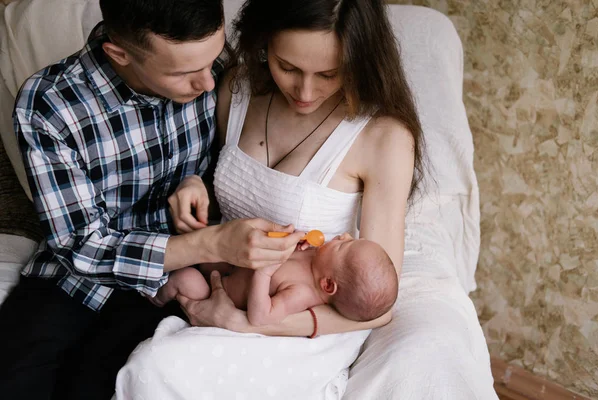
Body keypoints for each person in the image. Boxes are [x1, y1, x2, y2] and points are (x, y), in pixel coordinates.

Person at [127, 0, 496, 398]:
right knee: (146, 363)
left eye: (328, 74)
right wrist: (193, 187)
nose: (304, 92)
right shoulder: (236, 89)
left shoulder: (383, 137)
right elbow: (227, 199)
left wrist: (247, 324)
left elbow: (380, 307)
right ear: (265, 44)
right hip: (227, 279)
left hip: (306, 319)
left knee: (156, 367)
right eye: (287, 67)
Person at [0, 1, 307, 399]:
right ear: (119, 54)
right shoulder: (50, 103)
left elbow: (236, 166)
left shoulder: (213, 66)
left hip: (175, 286)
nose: (209, 84)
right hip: (71, 278)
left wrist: (198, 181)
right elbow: (79, 244)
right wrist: (210, 242)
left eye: (212, 59)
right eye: (183, 73)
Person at [156, 232, 398, 324]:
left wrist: (264, 273)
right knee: (207, 244)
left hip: (219, 295)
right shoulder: (315, 257)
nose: (344, 235)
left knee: (185, 278)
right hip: (230, 266)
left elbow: (261, 317)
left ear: (328, 284)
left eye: (344, 246)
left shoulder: (302, 294)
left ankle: (156, 298)